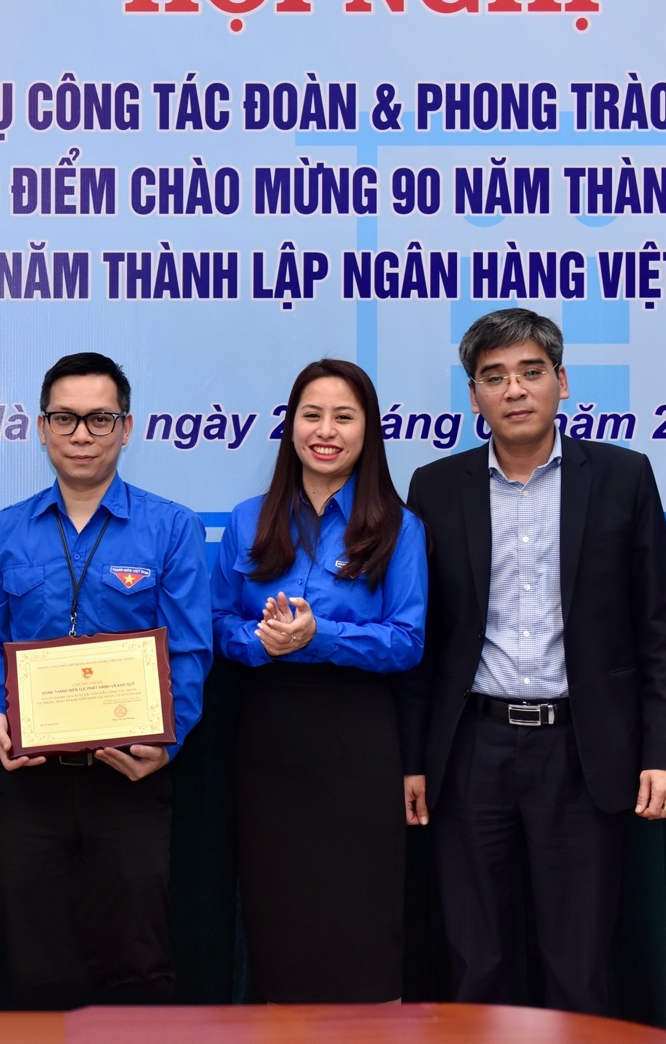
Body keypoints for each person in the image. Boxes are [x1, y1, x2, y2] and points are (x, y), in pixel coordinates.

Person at [404, 308, 666, 1013]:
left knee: (577, 963)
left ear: (561, 382)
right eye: (494, 376)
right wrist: (412, 760)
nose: (514, 389)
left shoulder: (622, 477)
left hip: (581, 749)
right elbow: (424, 639)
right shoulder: (435, 487)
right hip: (470, 749)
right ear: (473, 396)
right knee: (474, 959)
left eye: (530, 372)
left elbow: (659, 625)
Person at [0, 352, 212, 1008]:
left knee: (137, 961)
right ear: (41, 428)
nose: (81, 434)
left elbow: (188, 650)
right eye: (65, 419)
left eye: (99, 419)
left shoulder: (171, 528)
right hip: (30, 782)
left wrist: (170, 742)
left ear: (125, 428)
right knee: (37, 965)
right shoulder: (2, 533)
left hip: (129, 777)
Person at [210, 359, 427, 1003]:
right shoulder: (247, 519)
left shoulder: (399, 526)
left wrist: (320, 636)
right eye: (311, 415)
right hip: (270, 735)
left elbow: (408, 640)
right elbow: (216, 622)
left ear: (368, 430)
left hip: (358, 738)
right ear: (291, 426)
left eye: (343, 417)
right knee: (281, 912)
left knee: (362, 911)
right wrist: (259, 642)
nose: (325, 431)